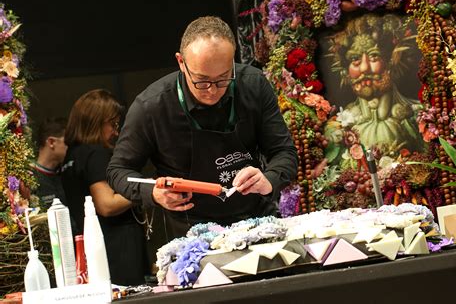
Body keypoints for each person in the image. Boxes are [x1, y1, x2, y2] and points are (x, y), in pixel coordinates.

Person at [107, 16, 298, 241]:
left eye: (223, 78)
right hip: (192, 234)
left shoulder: (253, 85)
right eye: (201, 80)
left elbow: (284, 152)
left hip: (257, 221)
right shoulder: (151, 107)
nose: (212, 90)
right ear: (181, 62)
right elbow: (118, 171)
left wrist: (270, 179)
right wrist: (154, 194)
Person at [61, 89, 148, 286]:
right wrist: (148, 190)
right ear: (96, 121)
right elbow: (106, 205)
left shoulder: (71, 157)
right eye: (113, 124)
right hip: (117, 249)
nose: (116, 132)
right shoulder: (96, 154)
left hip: (93, 250)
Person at [328, 13, 424, 154]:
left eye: (374, 56)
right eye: (355, 59)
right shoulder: (338, 128)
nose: (364, 68)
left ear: (391, 61)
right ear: (346, 70)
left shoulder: (418, 117)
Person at [32, 117, 68, 209]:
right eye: (68, 142)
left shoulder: (66, 173)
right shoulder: (30, 178)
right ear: (51, 142)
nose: (70, 147)